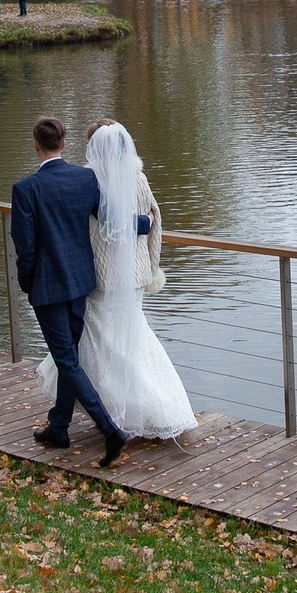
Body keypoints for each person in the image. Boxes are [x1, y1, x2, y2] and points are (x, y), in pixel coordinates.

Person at [36, 121, 196, 441]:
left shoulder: (88, 179)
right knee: (129, 341)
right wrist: (151, 263)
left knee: (94, 345)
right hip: (134, 276)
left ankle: (120, 411)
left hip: (99, 276)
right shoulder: (138, 178)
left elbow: (100, 224)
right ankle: (128, 410)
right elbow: (155, 221)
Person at [10, 116, 150, 467]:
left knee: (67, 361)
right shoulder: (84, 178)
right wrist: (144, 223)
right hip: (81, 282)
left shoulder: (25, 189)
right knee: (69, 356)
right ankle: (59, 426)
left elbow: (25, 249)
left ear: (35, 144)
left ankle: (110, 430)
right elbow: (109, 218)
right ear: (64, 144)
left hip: (49, 287)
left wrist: (27, 284)